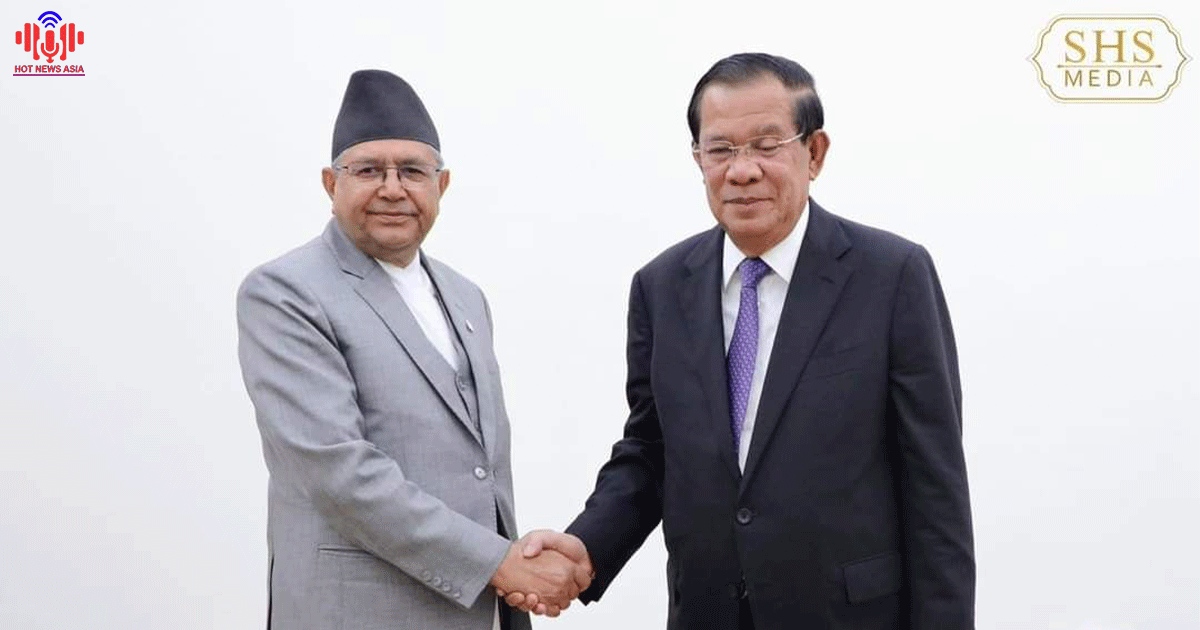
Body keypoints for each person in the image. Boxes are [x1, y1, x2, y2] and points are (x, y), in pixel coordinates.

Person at [508, 53, 975, 629]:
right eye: (721, 150)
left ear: (815, 152)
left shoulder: (891, 275)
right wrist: (587, 547)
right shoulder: (661, 287)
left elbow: (935, 488)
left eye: (766, 145)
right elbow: (652, 450)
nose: (742, 170)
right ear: (699, 159)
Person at [236, 69, 591, 630]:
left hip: (475, 612)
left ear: (441, 186)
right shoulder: (286, 292)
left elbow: (480, 470)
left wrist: (515, 566)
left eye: (412, 170)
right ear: (330, 184)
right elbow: (339, 474)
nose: (393, 188)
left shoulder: (465, 296)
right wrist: (498, 563)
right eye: (368, 170)